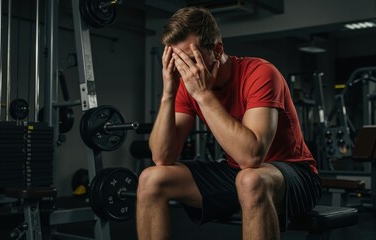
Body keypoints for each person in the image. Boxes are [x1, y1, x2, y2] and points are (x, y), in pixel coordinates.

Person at [136, 6, 322, 240]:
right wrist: (168, 93)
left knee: (251, 179)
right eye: (179, 61)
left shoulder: (261, 73)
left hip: (295, 175)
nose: (188, 70)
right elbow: (163, 157)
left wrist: (203, 96)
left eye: (192, 59)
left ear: (218, 49)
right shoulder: (185, 84)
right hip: (237, 174)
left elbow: (252, 157)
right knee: (151, 179)